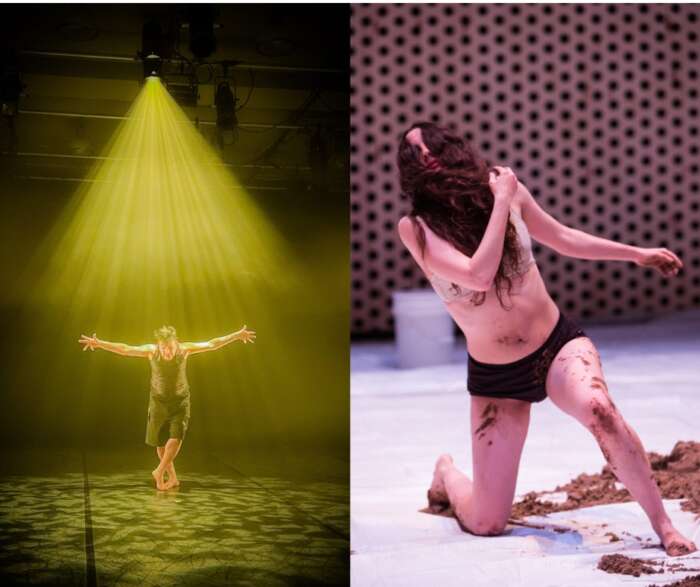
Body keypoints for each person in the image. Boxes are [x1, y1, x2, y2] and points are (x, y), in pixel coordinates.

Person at [396, 121, 696, 556]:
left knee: (599, 408)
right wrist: (501, 203)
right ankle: (447, 472)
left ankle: (663, 524)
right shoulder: (418, 228)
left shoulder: (505, 186)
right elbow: (478, 276)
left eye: (430, 144)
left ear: (452, 146)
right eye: (414, 153)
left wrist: (635, 254)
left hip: (555, 347)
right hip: (496, 374)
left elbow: (563, 237)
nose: (426, 155)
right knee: (487, 522)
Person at [78, 324, 256, 490]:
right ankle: (173, 478)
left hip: (180, 401)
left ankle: (158, 470)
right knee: (160, 444)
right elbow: (125, 349)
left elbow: (212, 344)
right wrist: (99, 343)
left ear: (176, 343)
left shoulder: (184, 349)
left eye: (170, 347)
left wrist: (237, 335)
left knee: (176, 437)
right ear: (158, 345)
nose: (167, 352)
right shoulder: (151, 351)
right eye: (164, 348)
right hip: (158, 403)